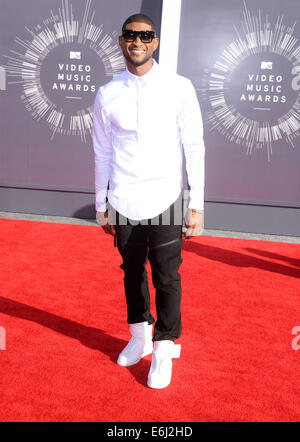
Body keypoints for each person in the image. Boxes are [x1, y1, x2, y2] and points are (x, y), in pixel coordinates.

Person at [92, 13, 205, 389]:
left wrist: (196, 204)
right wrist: (100, 202)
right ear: (121, 41)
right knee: (130, 270)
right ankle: (139, 335)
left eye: (145, 35)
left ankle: (163, 346)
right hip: (123, 199)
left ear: (154, 42)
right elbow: (102, 152)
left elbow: (194, 147)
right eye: (131, 35)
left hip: (167, 197)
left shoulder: (179, 87)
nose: (137, 41)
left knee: (167, 277)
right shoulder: (107, 94)